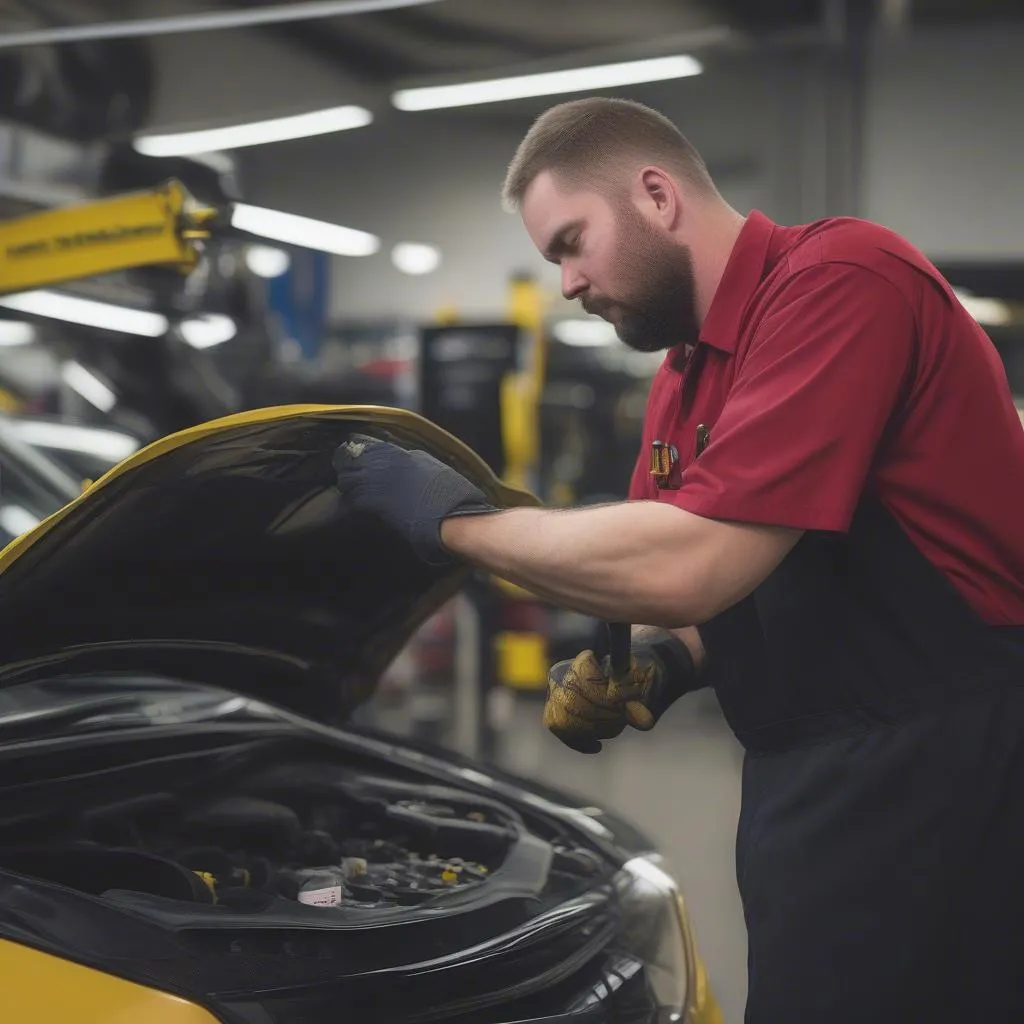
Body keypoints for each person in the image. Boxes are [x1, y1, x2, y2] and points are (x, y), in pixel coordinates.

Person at [334, 97, 1024, 1023]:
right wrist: (669, 663)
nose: (568, 283)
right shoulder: (683, 378)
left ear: (656, 195)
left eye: (572, 243)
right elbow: (719, 577)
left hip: (951, 775)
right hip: (809, 782)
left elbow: (688, 564)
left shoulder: (843, 281)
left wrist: (453, 523)